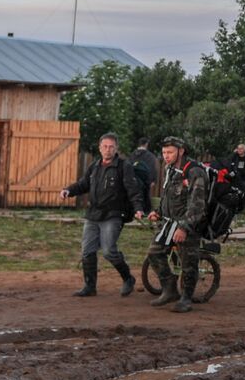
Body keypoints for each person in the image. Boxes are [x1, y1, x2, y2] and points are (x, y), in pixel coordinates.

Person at [60, 133, 146, 297]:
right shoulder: (95, 166)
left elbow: (132, 189)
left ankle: (128, 278)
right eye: (105, 146)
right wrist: (68, 190)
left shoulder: (123, 166)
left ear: (116, 149)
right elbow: (83, 184)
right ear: (100, 148)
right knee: (87, 250)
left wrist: (138, 208)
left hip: (113, 214)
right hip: (93, 214)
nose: (108, 150)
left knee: (108, 251)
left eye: (111, 147)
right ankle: (90, 287)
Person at [146, 136, 209, 313]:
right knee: (154, 253)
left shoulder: (194, 171)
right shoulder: (170, 169)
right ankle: (170, 290)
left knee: (188, 263)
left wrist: (184, 228)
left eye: (170, 152)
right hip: (170, 223)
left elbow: (198, 205)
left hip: (189, 225)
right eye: (164, 152)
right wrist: (158, 212)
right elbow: (168, 195)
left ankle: (186, 299)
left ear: (181, 151)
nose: (166, 156)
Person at [132, 137, 159, 208]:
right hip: (146, 181)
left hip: (133, 180)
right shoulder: (150, 156)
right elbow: (152, 168)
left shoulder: (132, 155)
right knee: (145, 196)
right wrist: (153, 180)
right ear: (146, 144)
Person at [225, 143, 245, 209]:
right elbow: (228, 160)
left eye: (241, 148)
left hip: (243, 179)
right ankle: (232, 206)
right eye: (238, 148)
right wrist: (233, 153)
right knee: (232, 191)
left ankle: (240, 207)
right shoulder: (235, 156)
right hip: (234, 178)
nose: (239, 150)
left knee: (242, 193)